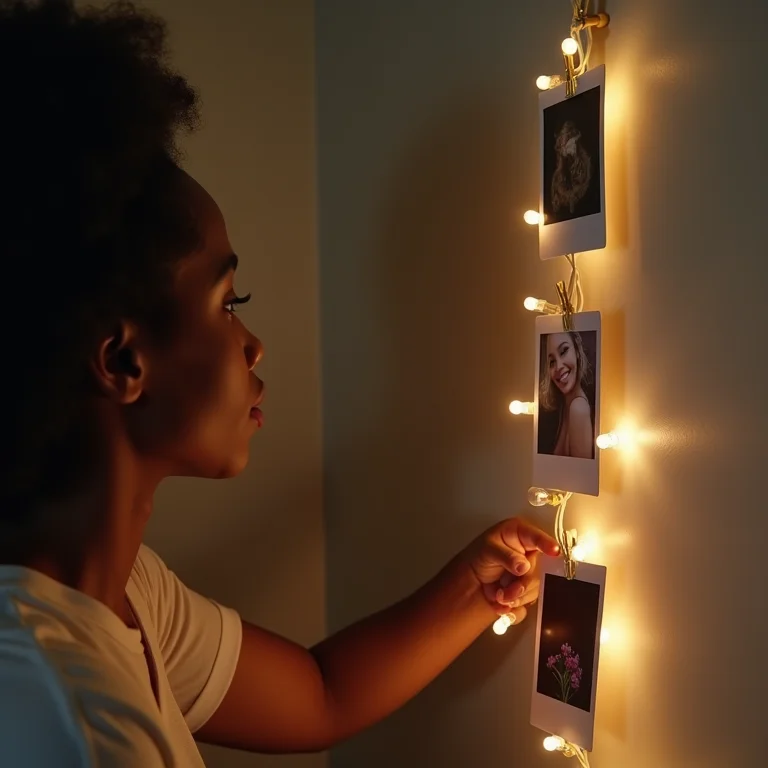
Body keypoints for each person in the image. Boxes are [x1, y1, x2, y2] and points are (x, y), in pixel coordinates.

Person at [0, 1, 560, 765]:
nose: (253, 344)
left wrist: (474, 581)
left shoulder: (119, 591)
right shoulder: (77, 724)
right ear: (124, 363)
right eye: (228, 304)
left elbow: (318, 694)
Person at [539, 331, 595, 459]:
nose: (558, 366)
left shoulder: (578, 407)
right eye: (552, 362)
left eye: (564, 351)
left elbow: (580, 475)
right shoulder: (564, 406)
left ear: (577, 351)